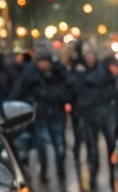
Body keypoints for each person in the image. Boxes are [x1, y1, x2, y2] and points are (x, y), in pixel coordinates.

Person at [7, 50, 72, 183]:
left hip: (56, 113)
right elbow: (18, 91)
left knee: (59, 145)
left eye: (45, 61)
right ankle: (44, 172)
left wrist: (56, 95)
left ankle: (61, 171)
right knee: (41, 145)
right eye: (40, 61)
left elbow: (69, 89)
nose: (42, 64)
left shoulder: (59, 73)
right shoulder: (30, 74)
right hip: (40, 114)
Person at [69, 46, 118, 188]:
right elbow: (77, 90)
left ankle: (111, 176)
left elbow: (110, 85)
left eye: (92, 54)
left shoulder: (102, 70)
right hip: (90, 116)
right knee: (92, 149)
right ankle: (92, 176)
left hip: (105, 113)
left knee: (111, 145)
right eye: (87, 55)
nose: (90, 58)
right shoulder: (80, 72)